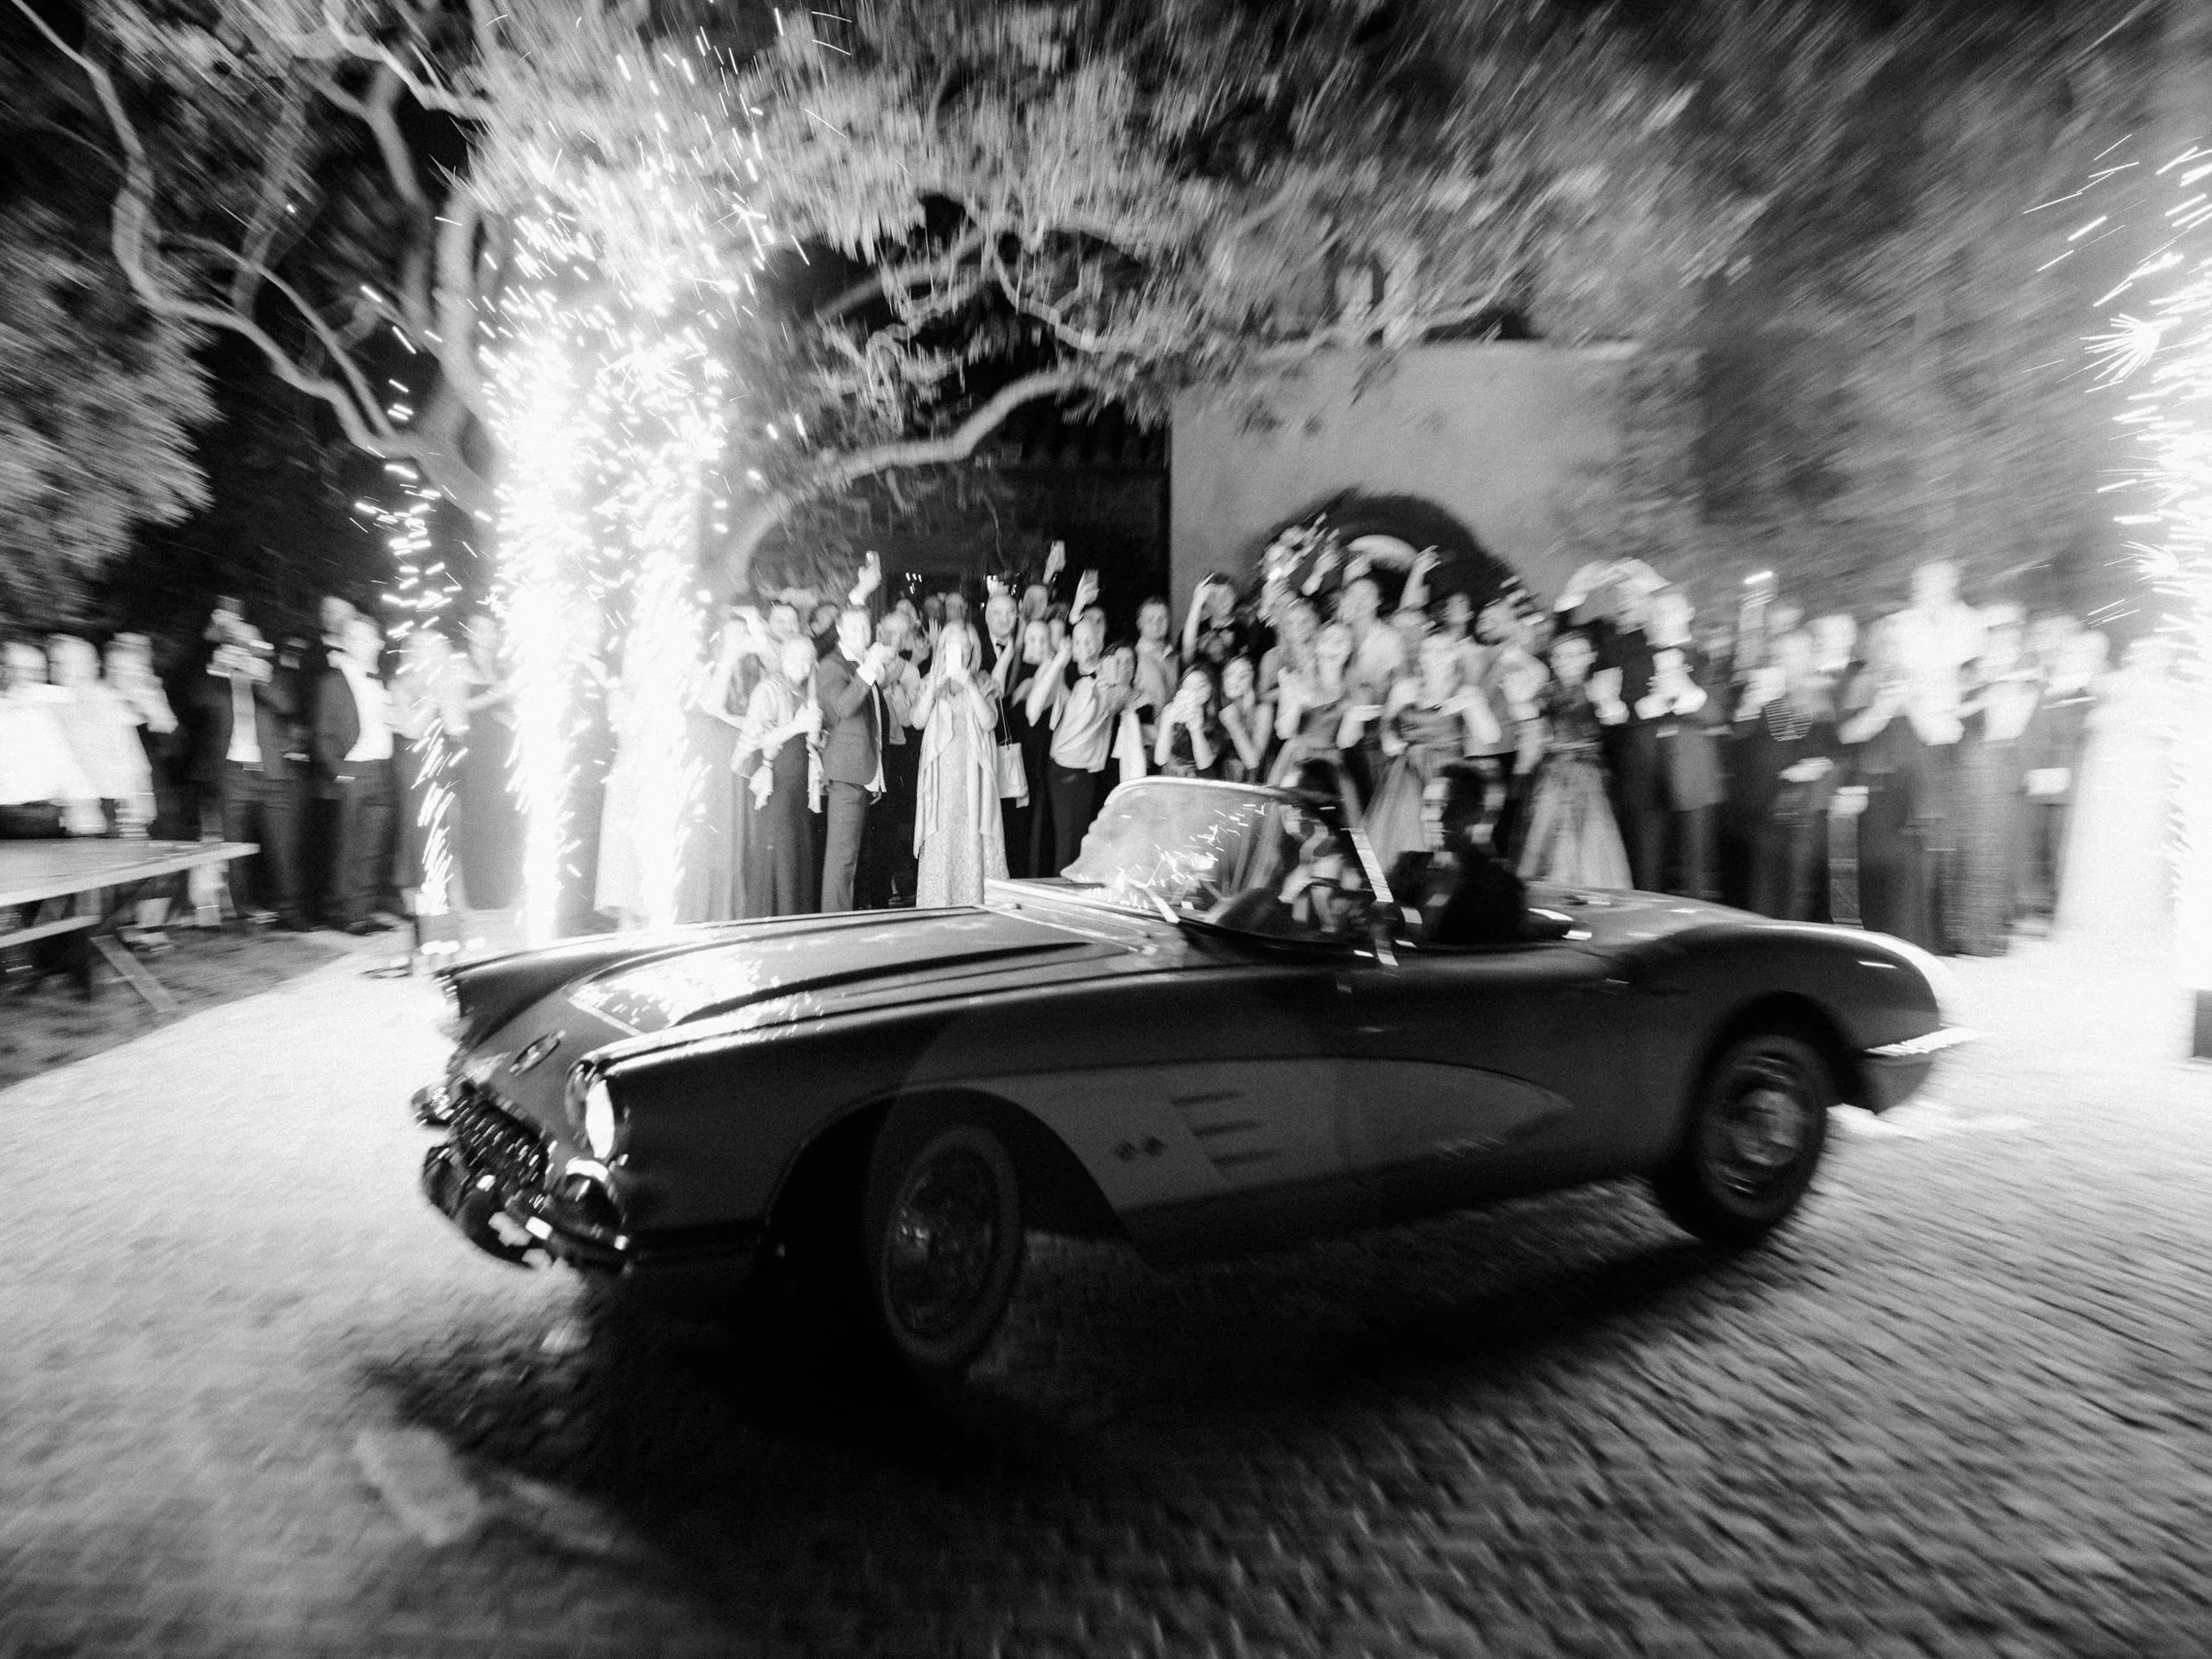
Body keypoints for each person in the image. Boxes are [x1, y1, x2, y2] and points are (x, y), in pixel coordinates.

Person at [195, 603, 308, 927]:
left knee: (283, 846)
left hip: (272, 772)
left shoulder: (271, 673)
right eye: (238, 643)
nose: (244, 649)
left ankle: (292, 912)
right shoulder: (217, 676)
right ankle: (243, 911)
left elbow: (288, 704)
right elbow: (197, 701)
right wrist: (216, 668)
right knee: (235, 849)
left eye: (251, 644)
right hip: (233, 773)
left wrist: (260, 677)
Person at [2056, 634, 2174, 946]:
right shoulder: (2116, 685)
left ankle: (2135, 911)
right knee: (2106, 840)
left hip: (2145, 780)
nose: (2153, 663)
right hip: (2112, 781)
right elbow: (2088, 710)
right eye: (2147, 655)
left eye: (2160, 658)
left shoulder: (2167, 693)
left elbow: (2169, 730)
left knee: (2139, 841)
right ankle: (2098, 910)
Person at [1834, 617, 1942, 949]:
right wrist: (1881, 708)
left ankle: (1911, 945)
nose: (1891, 650)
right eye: (1885, 642)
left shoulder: (1921, 684)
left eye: (1898, 643)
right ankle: (1877, 943)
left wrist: (1909, 702)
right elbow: (1847, 735)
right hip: (1876, 790)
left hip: (1913, 793)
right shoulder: (1861, 683)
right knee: (1875, 868)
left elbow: (1934, 734)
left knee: (1909, 872)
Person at [1945, 612, 2043, 956]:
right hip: (1970, 762)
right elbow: (1952, 712)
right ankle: (1961, 933)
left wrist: (2011, 690)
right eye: (1998, 639)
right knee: (1968, 848)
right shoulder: (1969, 670)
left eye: (2011, 641)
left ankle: (1987, 935)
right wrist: (1987, 694)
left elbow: (2019, 723)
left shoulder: (2025, 677)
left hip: (2001, 763)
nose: (2004, 647)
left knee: (1995, 849)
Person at [1364, 631, 1502, 869]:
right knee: (1400, 834)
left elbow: (1491, 736)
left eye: (1443, 651)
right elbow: (1387, 725)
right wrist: (1390, 741)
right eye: (1429, 650)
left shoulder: (1466, 692)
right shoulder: (1404, 688)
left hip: (1446, 776)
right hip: (1407, 773)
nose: (1435, 656)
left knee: (1442, 835)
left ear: (1454, 656)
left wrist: (1474, 707)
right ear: (1421, 656)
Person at [1026, 576, 1128, 874]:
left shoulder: (1108, 676)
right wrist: (1059, 662)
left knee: (1083, 845)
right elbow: (1034, 712)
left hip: (1090, 773)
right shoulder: (1064, 672)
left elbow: (1115, 703)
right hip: (1063, 770)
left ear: (1100, 643)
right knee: (1067, 847)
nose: (1084, 646)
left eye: (1090, 641)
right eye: (1078, 641)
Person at [1516, 631, 1632, 890]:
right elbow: (1532, 729)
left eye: (1577, 654)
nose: (1569, 661)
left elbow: (1617, 720)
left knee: (1589, 835)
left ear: (1590, 656)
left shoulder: (1597, 688)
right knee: (1548, 834)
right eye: (1562, 656)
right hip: (1552, 775)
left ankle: (1589, 890)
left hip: (1587, 774)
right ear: (1553, 661)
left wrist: (1608, 703)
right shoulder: (1544, 693)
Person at [1737, 630, 1839, 921]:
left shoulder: (1819, 699)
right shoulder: (1768, 697)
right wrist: (1751, 706)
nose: (1786, 661)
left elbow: (1828, 749)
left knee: (1796, 882)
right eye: (1781, 655)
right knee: (1765, 882)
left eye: (1793, 654)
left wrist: (1811, 768)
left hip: (1803, 807)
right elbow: (1749, 745)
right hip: (1766, 803)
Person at [910, 620, 1008, 907]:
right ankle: (939, 903)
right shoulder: (930, 681)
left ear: (973, 650)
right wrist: (934, 687)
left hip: (972, 776)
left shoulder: (983, 680)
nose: (961, 651)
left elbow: (989, 721)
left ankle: (974, 902)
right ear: (942, 649)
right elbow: (917, 720)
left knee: (972, 836)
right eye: (954, 645)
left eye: (966, 646)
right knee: (942, 837)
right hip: (940, 777)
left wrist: (969, 684)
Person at [313, 616, 400, 935]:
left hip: (382, 769)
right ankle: (345, 914)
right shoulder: (331, 682)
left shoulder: (385, 679)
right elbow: (321, 736)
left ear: (379, 642)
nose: (362, 644)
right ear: (346, 643)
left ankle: (363, 911)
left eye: (368, 638)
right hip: (354, 771)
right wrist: (341, 773)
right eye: (355, 638)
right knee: (349, 845)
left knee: (374, 846)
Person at [1386, 763, 1529, 947]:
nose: (1438, 817)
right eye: (1429, 805)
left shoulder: (1500, 887)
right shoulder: (1405, 867)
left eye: (1452, 807)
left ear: (1477, 813)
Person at [2016, 626, 2102, 929]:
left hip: (2069, 780)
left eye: (2077, 654)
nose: (2070, 659)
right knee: (2035, 841)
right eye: (2069, 653)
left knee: (2060, 844)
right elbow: (2030, 731)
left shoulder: (2089, 693)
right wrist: (2030, 769)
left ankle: (2053, 908)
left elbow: (2084, 737)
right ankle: (2035, 905)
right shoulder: (2045, 688)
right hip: (2040, 778)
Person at [735, 635, 823, 917]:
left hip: (797, 788)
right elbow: (756, 741)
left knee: (795, 856)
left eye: (809, 660)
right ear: (783, 658)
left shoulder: (803, 692)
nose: (804, 665)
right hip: (776, 787)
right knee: (779, 856)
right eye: (797, 658)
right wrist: (797, 726)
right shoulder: (768, 689)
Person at [816, 604, 894, 910]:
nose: (864, 633)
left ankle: (842, 918)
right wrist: (868, 667)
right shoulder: (832, 666)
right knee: (842, 857)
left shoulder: (859, 664)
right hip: (845, 772)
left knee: (851, 856)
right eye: (856, 628)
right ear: (840, 632)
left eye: (866, 628)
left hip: (860, 771)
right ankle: (834, 922)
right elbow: (842, 709)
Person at [49, 634, 153, 835]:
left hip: (111, 805)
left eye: (69, 663)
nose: (60, 669)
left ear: (92, 666)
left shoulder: (107, 701)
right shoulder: (54, 703)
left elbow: (132, 757)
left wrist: (141, 800)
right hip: (74, 806)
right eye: (55, 662)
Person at [454, 615, 520, 914]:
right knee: (479, 817)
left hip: (502, 750)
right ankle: (479, 893)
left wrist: (509, 714)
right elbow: (455, 709)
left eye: (491, 629)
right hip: (476, 751)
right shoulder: (460, 666)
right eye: (477, 627)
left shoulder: (501, 669)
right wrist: (494, 696)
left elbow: (509, 708)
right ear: (468, 634)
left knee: (501, 818)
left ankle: (501, 889)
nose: (485, 634)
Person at [858, 610, 924, 908]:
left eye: (902, 634)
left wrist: (895, 689)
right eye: (889, 632)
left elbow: (909, 721)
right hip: (863, 754)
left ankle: (881, 895)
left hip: (893, 756)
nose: (894, 639)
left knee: (886, 827)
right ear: (878, 630)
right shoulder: (862, 661)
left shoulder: (910, 671)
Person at [1009, 618, 1056, 877]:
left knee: (1037, 827)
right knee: (1020, 827)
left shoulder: (1051, 671)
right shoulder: (1023, 672)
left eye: (1043, 639)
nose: (1037, 645)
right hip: (1020, 760)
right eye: (1032, 639)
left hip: (1040, 760)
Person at [1151, 664, 1224, 779]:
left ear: (1211, 689)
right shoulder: (1169, 710)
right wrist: (1167, 723)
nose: (1194, 691)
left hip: (1201, 780)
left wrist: (1195, 729)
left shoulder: (1217, 718)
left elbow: (1204, 763)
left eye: (1201, 686)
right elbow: (1160, 759)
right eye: (1188, 686)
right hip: (1171, 777)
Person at [1217, 656, 1273, 782]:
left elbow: (1252, 762)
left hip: (1253, 780)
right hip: (1221, 780)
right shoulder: (1216, 707)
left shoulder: (1263, 709)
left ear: (1253, 680)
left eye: (1243, 676)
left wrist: (1235, 725)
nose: (1234, 681)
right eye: (1229, 674)